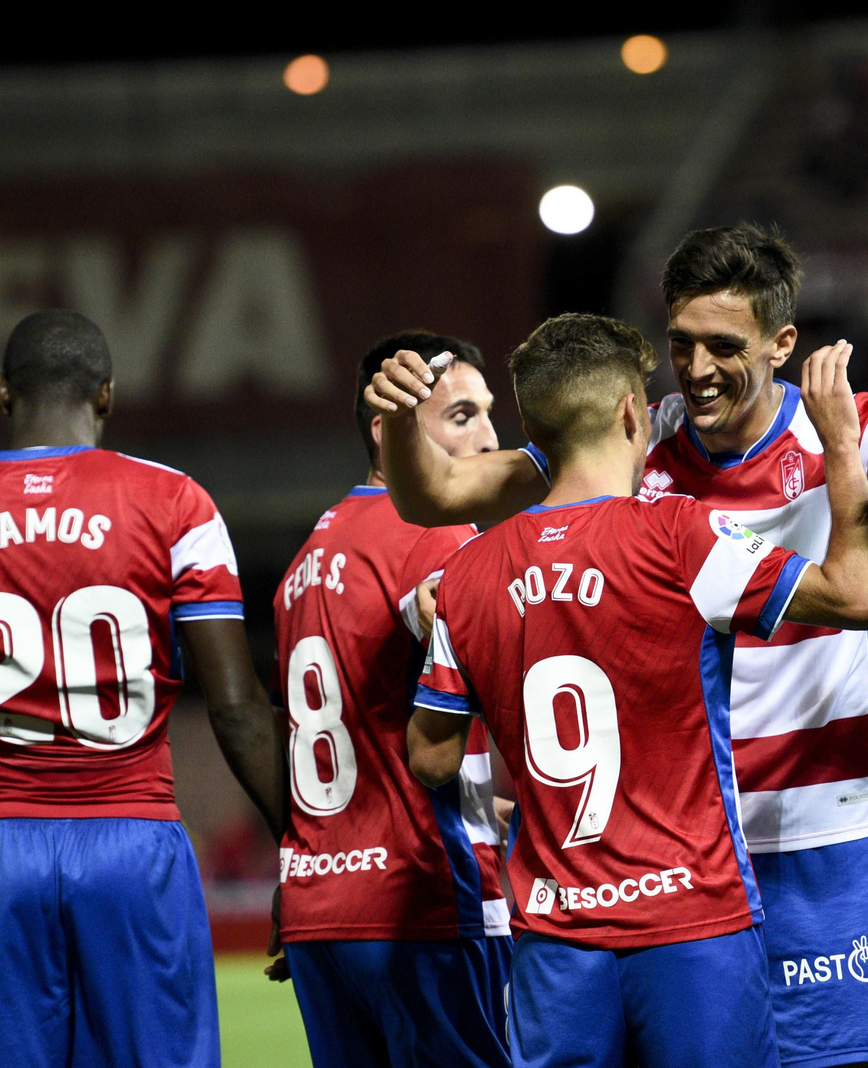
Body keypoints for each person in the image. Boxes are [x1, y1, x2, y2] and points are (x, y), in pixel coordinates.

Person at [368, 223, 868, 1068]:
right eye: (681, 343)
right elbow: (442, 491)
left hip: (819, 831)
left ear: (781, 343)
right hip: (682, 853)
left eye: (723, 346)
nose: (697, 368)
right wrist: (400, 418)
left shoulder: (847, 425)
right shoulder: (640, 437)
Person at [407, 313, 868, 1067]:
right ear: (634, 414)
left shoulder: (466, 574)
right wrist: (842, 449)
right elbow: (858, 595)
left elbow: (431, 758)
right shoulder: (681, 535)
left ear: (532, 429)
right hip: (693, 923)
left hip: (555, 939)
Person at [0, 310, 286, 1068]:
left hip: (2, 848)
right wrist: (297, 854)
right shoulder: (175, 502)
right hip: (133, 839)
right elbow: (237, 711)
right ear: (106, 394)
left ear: (3, 392)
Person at [267, 333, 513, 1068]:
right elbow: (445, 619)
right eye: (462, 416)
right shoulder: (436, 531)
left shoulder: (303, 564)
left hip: (317, 907)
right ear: (389, 428)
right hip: (420, 898)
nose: (490, 439)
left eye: (488, 414)